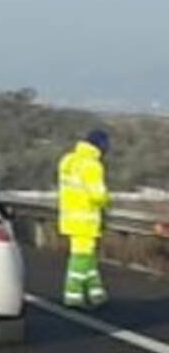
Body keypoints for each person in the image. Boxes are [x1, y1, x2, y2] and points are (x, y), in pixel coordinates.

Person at [58, 129, 112, 308]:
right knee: (81, 258)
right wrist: (107, 200)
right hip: (85, 220)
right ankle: (72, 295)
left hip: (69, 217)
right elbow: (97, 195)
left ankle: (96, 293)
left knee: (87, 257)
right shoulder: (92, 165)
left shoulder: (68, 160)